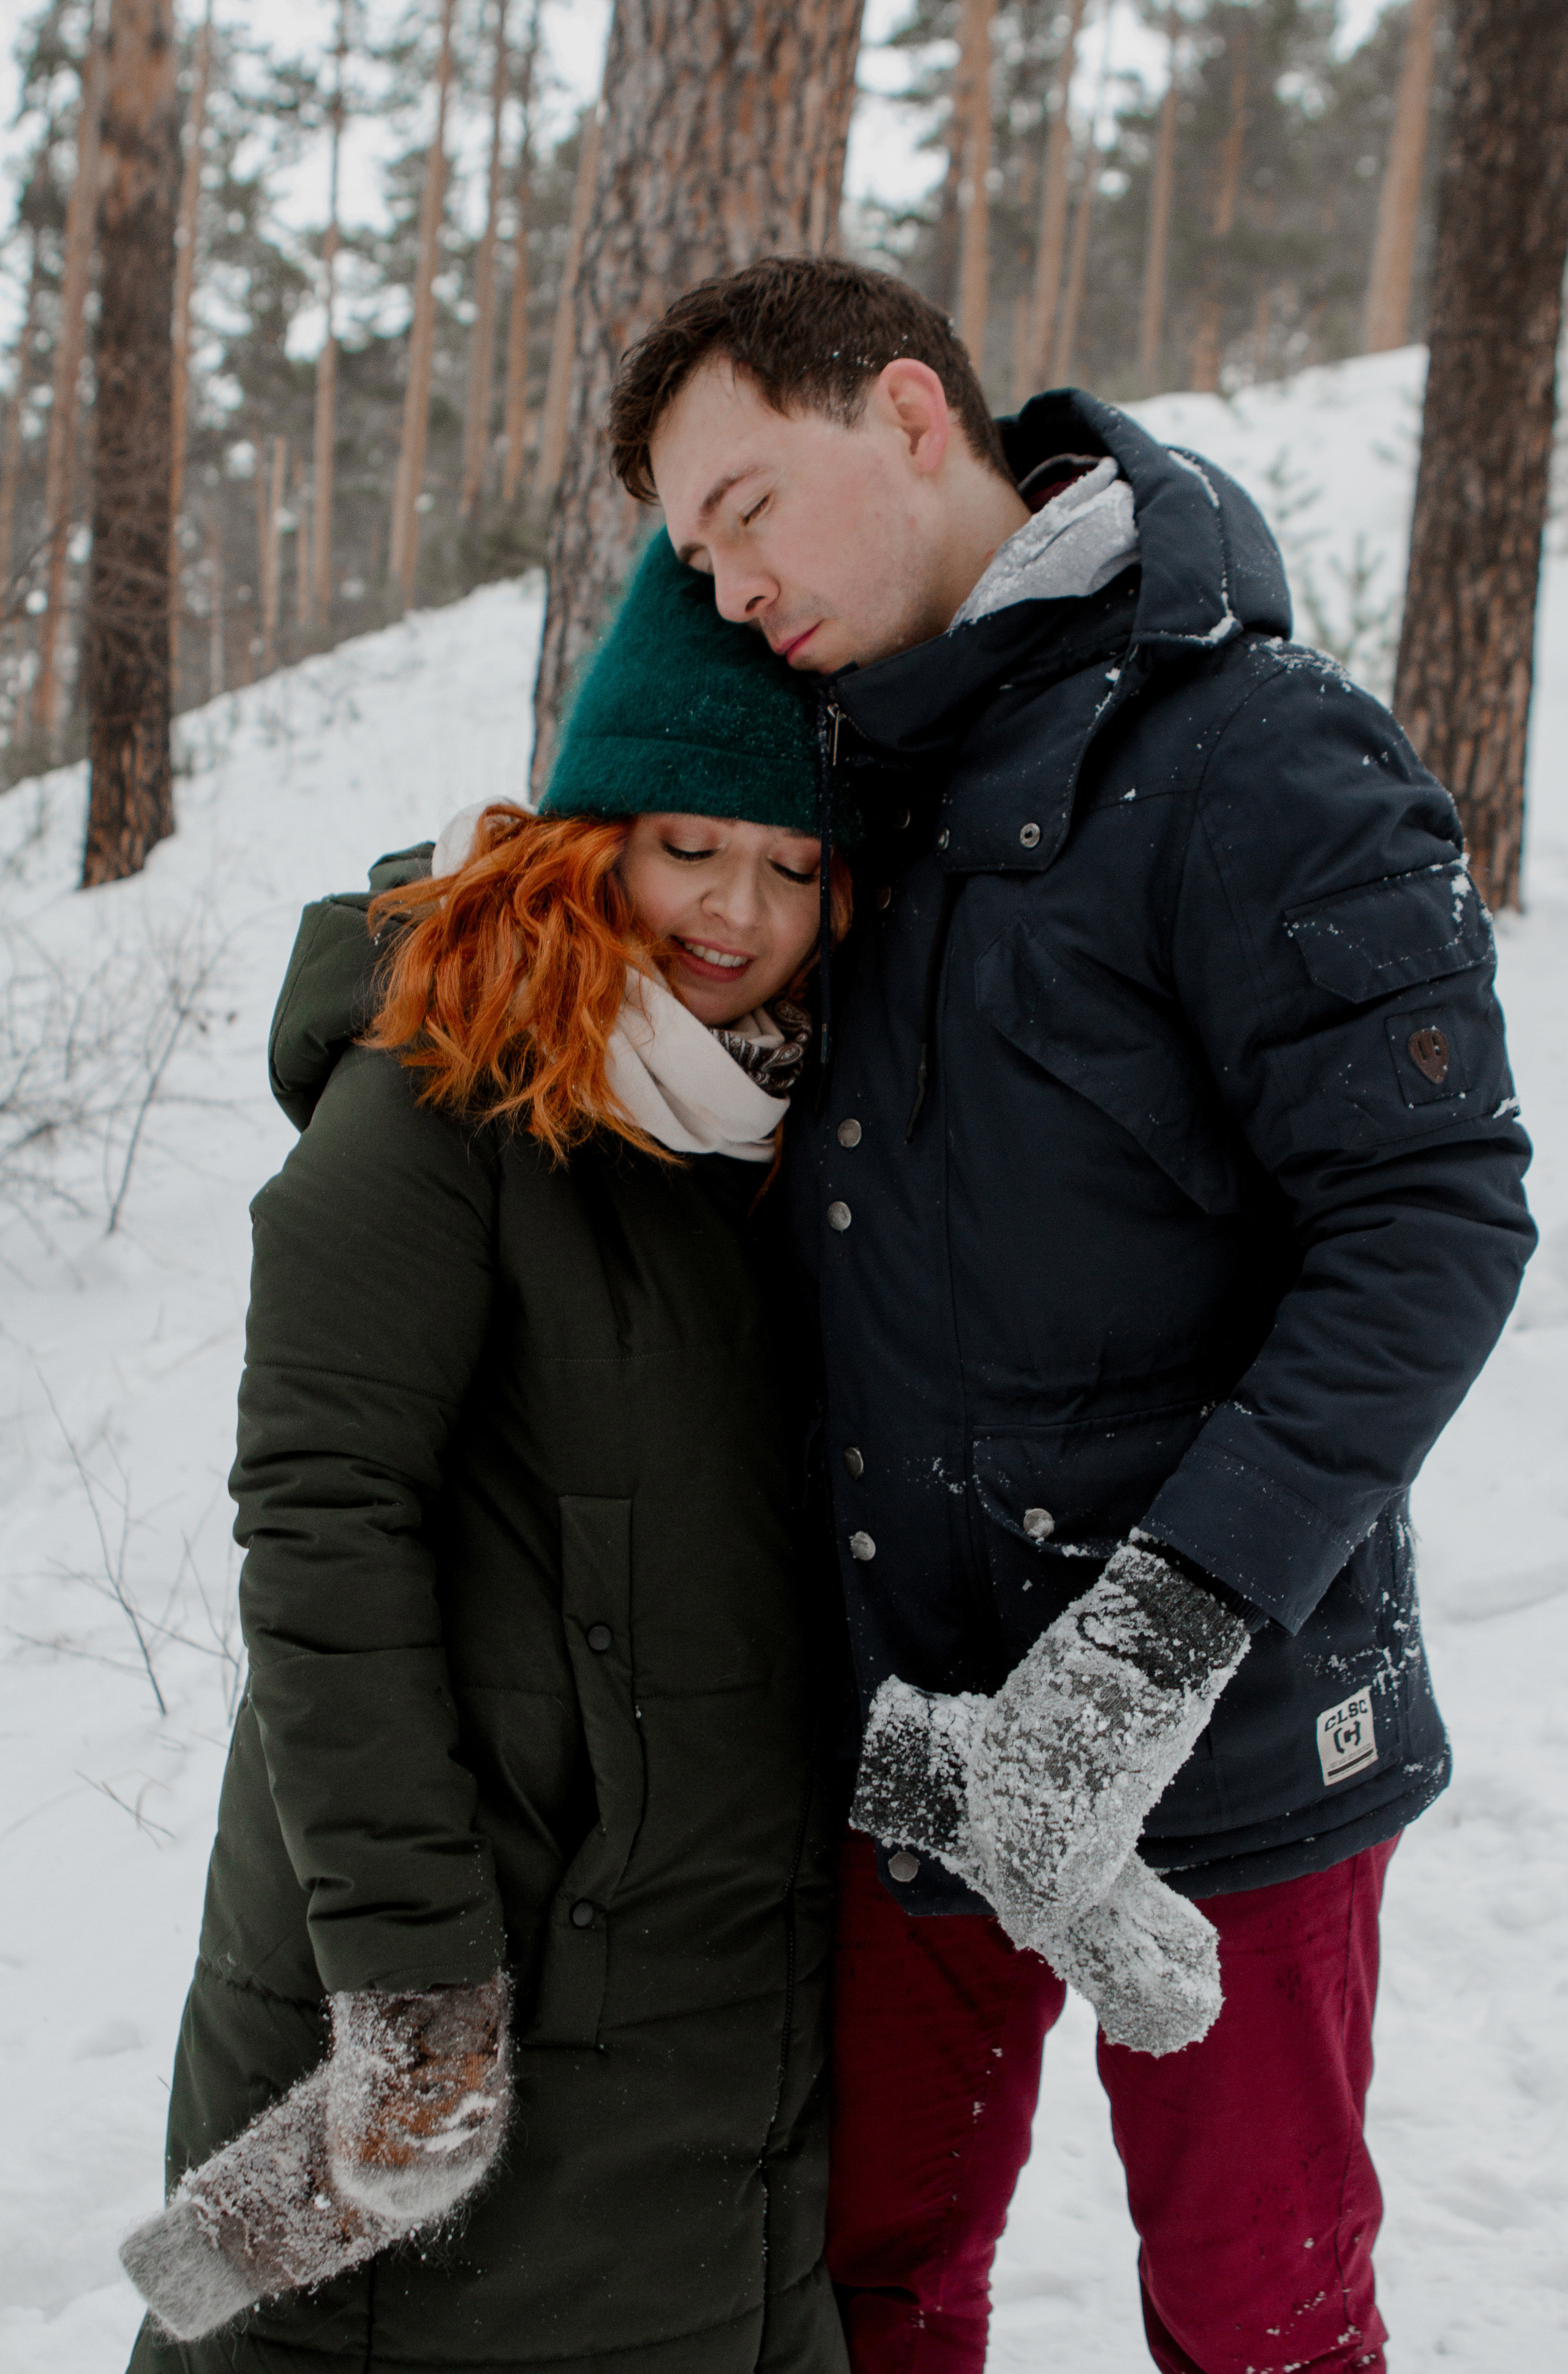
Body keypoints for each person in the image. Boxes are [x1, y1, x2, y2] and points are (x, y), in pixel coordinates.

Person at [608, 255, 1537, 2374]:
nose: (730, 584)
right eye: (691, 549)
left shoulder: (1258, 755)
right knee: (870, 2283)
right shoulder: (839, 786)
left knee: (1256, 2314)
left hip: (1222, 1734)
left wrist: (1145, 1653)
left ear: (914, 416)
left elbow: (1437, 1214)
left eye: (749, 504)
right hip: (917, 1734)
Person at [118, 534, 856, 2374]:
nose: (735, 912)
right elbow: (318, 1521)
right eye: (689, 844)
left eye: (793, 864)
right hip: (443, 1981)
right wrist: (412, 1991)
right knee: (264, 2318)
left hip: (708, 2032)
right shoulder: (437, 1083)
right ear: (585, 830)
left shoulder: (793, 1117)